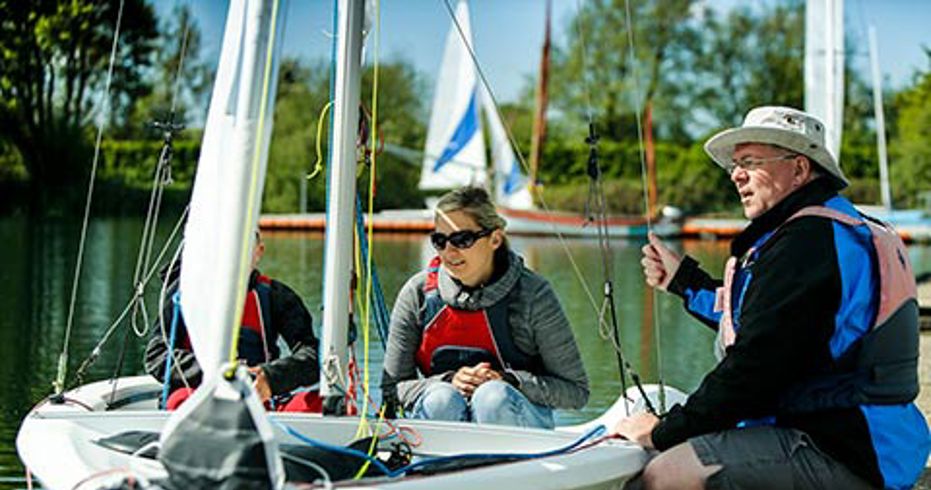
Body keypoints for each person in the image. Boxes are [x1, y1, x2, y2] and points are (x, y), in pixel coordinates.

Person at [614, 106, 929, 490]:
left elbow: (753, 368)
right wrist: (683, 281)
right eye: (734, 164)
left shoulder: (807, 242)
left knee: (665, 473)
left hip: (847, 450)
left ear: (798, 169)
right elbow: (771, 319)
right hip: (881, 445)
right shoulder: (836, 229)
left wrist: (663, 432)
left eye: (749, 161)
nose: (735, 174)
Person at [381, 186, 588, 428]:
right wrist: (449, 380)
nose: (449, 251)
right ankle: (438, 465)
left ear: (495, 239)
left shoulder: (533, 295)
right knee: (441, 400)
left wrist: (508, 380)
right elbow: (392, 389)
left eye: (462, 239)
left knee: (492, 398)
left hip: (518, 431)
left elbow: (576, 392)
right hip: (443, 425)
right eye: (440, 240)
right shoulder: (417, 293)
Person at [145, 230, 321, 412]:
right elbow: (157, 355)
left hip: (259, 398)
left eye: (243, 248)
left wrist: (271, 377)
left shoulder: (275, 296)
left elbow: (314, 355)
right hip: (199, 394)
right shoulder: (183, 294)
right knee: (180, 402)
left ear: (259, 252)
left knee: (325, 405)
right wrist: (219, 374)